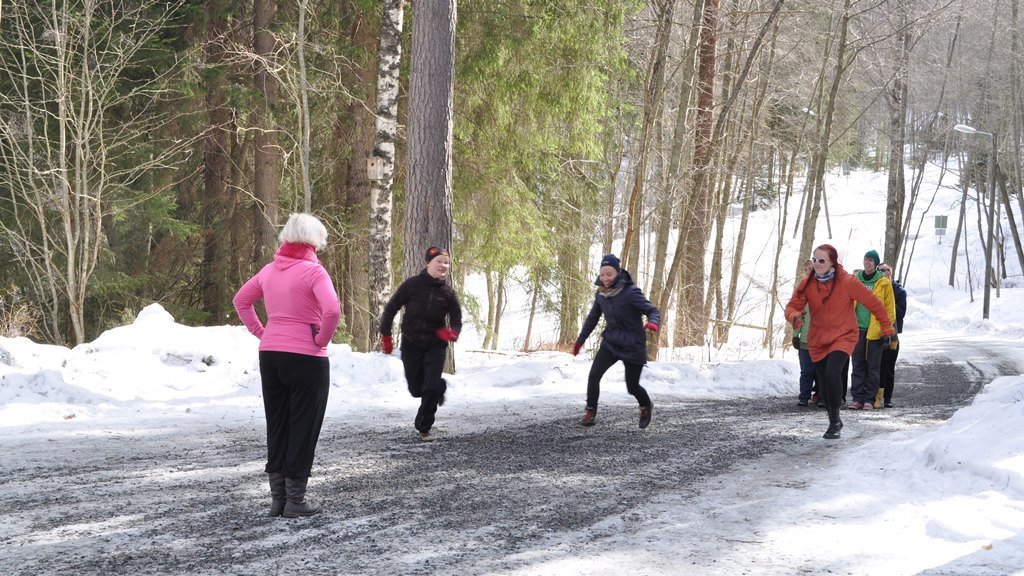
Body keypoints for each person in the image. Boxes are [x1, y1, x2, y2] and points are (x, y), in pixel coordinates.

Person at [233, 213, 341, 518]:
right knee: (303, 426)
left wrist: (262, 332)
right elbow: (332, 309)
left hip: (271, 355)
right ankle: (296, 501)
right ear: (313, 240)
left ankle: (278, 499)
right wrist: (321, 338)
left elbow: (241, 300)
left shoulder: (269, 270)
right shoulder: (314, 272)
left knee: (278, 424)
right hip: (307, 357)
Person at [785, 244, 895, 440]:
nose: (817, 264)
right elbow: (793, 306)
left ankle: (834, 422)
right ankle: (834, 418)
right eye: (815, 260)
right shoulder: (807, 283)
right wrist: (795, 317)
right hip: (818, 339)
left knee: (833, 372)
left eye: (822, 260)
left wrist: (887, 327)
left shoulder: (847, 281)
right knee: (825, 383)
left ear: (832, 262)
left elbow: (874, 304)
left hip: (844, 335)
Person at [379, 246, 463, 442]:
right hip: (411, 343)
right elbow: (391, 309)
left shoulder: (448, 293)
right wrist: (386, 337)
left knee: (430, 388)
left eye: (446, 262)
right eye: (439, 261)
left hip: (436, 345)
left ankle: (424, 426)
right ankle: (440, 387)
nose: (443, 265)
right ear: (428, 263)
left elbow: (457, 318)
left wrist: (452, 332)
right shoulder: (412, 285)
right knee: (416, 389)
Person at [572, 254, 660, 429]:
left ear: (617, 273)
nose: (605, 278)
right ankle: (590, 411)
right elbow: (592, 319)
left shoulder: (630, 292)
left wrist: (653, 323)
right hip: (611, 342)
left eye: (609, 274)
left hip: (633, 344)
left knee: (632, 386)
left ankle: (645, 406)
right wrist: (580, 341)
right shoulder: (601, 295)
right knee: (594, 375)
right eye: (602, 274)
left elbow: (652, 310)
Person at [849, 250, 896, 410]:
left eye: (870, 260)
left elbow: (890, 310)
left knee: (873, 367)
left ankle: (870, 399)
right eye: (865, 259)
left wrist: (886, 330)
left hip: (875, 331)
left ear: (876, 264)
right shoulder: (855, 280)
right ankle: (857, 398)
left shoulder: (883, 283)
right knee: (857, 365)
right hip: (857, 328)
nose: (867, 262)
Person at [876, 263, 906, 408]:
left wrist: (888, 300)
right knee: (875, 367)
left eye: (887, 270)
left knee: (888, 367)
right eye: (881, 270)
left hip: (892, 335)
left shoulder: (899, 291)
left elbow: (901, 314)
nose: (884, 272)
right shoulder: (875, 288)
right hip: (874, 333)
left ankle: (887, 398)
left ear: (891, 273)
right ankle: (873, 396)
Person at [792, 259, 818, 407]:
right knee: (806, 370)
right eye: (806, 269)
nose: (809, 271)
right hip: (805, 338)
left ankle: (820, 395)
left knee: (821, 372)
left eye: (811, 268)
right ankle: (804, 396)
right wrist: (796, 335)